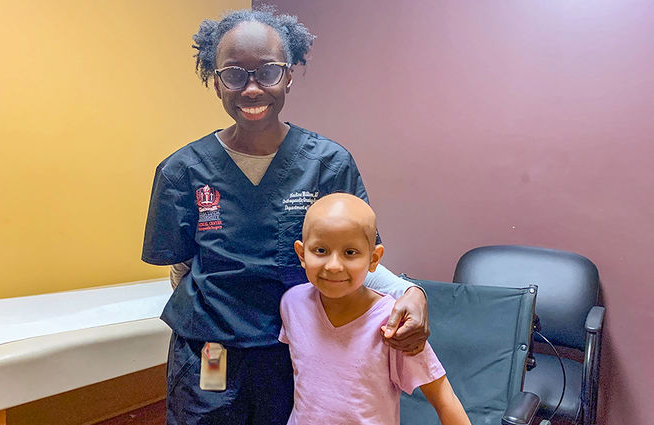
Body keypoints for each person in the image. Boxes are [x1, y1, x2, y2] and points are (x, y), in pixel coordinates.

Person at [142, 6, 430, 424]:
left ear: (290, 74)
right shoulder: (183, 171)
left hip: (297, 350)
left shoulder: (328, 164)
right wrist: (216, 322)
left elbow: (354, 257)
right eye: (235, 74)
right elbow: (181, 268)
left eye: (268, 72)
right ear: (216, 81)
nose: (252, 89)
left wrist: (412, 292)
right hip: (213, 351)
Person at [280, 193, 470, 425]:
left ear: (374, 259)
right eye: (321, 251)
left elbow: (444, 400)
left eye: (350, 253)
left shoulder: (393, 322)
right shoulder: (292, 304)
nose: (333, 266)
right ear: (302, 253)